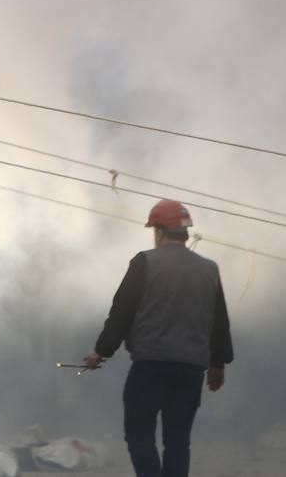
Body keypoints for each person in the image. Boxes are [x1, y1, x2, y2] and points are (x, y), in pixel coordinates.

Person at [84, 199, 234, 477]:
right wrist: (218, 365)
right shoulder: (210, 269)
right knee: (178, 442)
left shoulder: (145, 262)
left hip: (150, 368)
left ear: (160, 231)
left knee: (139, 436)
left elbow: (121, 313)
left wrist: (100, 352)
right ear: (185, 232)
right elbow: (219, 322)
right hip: (190, 371)